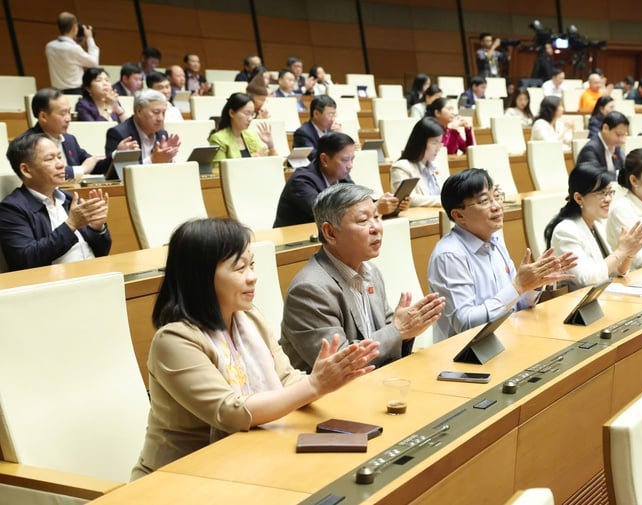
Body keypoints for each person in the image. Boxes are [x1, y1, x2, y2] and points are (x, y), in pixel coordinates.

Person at [130, 217, 379, 479]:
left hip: (245, 462)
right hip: (178, 479)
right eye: (240, 269)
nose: (253, 277)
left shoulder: (249, 319)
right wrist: (314, 385)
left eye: (252, 265)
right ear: (201, 277)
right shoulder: (174, 340)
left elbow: (286, 378)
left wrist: (331, 379)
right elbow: (230, 411)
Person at [279, 184, 445, 371]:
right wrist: (399, 331)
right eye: (363, 220)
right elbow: (338, 365)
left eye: (376, 217)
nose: (376, 228)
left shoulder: (371, 272)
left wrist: (407, 330)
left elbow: (390, 332)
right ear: (330, 232)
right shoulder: (309, 289)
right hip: (331, 397)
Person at [427, 168, 576, 341]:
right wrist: (518, 286)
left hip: (506, 339)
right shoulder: (449, 256)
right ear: (459, 215)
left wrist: (533, 284)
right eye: (484, 201)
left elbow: (516, 304)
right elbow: (465, 325)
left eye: (496, 197)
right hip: (466, 356)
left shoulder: (495, 241)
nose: (497, 206)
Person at [0, 133, 111, 271]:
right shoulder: (12, 209)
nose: (61, 165)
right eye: (50, 159)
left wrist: (97, 229)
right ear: (26, 170)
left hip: (93, 274)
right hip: (55, 286)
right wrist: (71, 225)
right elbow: (26, 259)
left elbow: (100, 253)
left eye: (59, 157)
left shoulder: (69, 199)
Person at [545, 163, 642, 291]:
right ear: (579, 198)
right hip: (577, 305)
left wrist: (629, 254)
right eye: (602, 193)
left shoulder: (596, 225)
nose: (608, 199)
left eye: (610, 192)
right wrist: (621, 251)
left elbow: (614, 271)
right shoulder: (566, 230)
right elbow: (586, 280)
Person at [274, 132, 405, 228]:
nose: (350, 165)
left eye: (352, 159)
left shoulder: (341, 176)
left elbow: (358, 200)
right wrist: (375, 208)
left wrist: (391, 203)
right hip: (295, 241)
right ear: (324, 159)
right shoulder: (301, 181)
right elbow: (326, 213)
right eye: (344, 160)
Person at [23, 88, 107, 179]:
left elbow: (92, 163)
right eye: (63, 113)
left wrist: (116, 154)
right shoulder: (29, 143)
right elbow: (44, 173)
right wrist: (82, 169)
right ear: (43, 116)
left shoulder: (69, 139)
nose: (68, 119)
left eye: (69, 112)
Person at [104, 89, 181, 165]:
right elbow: (117, 172)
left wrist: (168, 159)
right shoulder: (119, 134)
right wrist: (153, 160)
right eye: (156, 112)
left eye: (163, 113)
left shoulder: (162, 134)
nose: (160, 118)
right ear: (139, 111)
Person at [208, 93, 275, 167]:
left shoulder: (251, 135)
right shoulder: (218, 139)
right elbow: (219, 171)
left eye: (252, 114)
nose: (250, 119)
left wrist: (271, 146)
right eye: (247, 113)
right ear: (232, 113)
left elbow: (273, 165)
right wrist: (254, 161)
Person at [390, 117, 446, 207]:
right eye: (434, 143)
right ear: (420, 143)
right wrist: (446, 200)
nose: (438, 148)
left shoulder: (436, 165)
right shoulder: (402, 167)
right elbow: (410, 200)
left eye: (440, 143)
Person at [45, 12, 99, 94]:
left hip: (57, 93)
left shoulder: (49, 46)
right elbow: (94, 63)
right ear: (74, 27)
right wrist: (89, 38)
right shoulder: (73, 48)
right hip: (76, 91)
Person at [293, 95, 339, 161]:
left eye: (334, 114)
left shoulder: (332, 131)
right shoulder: (303, 133)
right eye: (330, 115)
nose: (333, 119)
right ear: (316, 114)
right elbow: (314, 158)